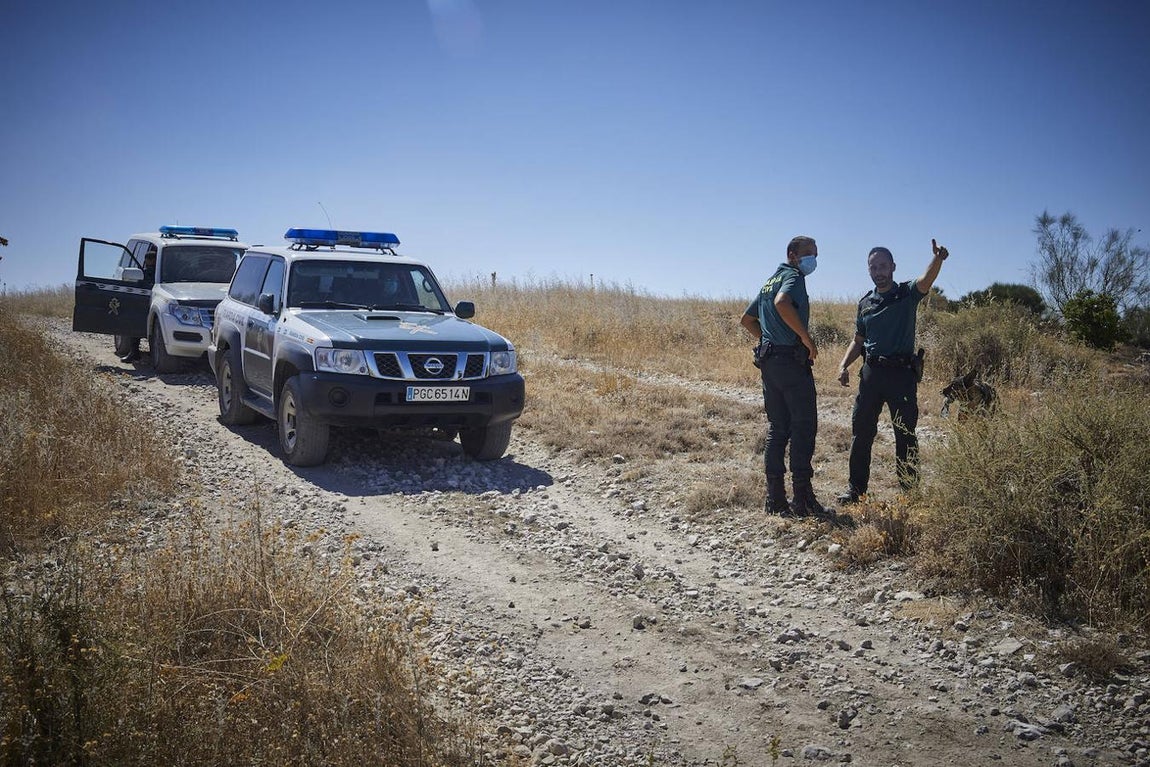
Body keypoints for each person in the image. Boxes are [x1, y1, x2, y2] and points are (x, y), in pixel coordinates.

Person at [835, 239, 950, 503]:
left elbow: (925, 281)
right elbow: (858, 339)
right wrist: (844, 365)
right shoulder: (865, 303)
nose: (879, 271)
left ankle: (910, 493)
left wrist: (938, 260)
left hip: (901, 376)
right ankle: (855, 490)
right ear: (869, 270)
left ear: (893, 267)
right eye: (873, 267)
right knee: (861, 433)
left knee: (905, 435)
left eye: (883, 266)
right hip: (871, 374)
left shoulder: (906, 294)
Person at [740, 235, 829, 518]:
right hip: (791, 362)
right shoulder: (792, 277)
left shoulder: (769, 280)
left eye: (815, 254)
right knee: (803, 427)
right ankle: (802, 499)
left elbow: (747, 319)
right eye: (808, 254)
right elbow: (782, 303)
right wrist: (806, 339)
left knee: (778, 429)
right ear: (792, 255)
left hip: (770, 364)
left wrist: (767, 341)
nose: (812, 260)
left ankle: (775, 499)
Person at [120, 249, 156, 363]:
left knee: (136, 324)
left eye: (150, 259)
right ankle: (134, 352)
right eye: (148, 259)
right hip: (146, 301)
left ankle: (135, 352)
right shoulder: (142, 273)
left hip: (151, 301)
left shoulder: (155, 272)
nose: (148, 262)